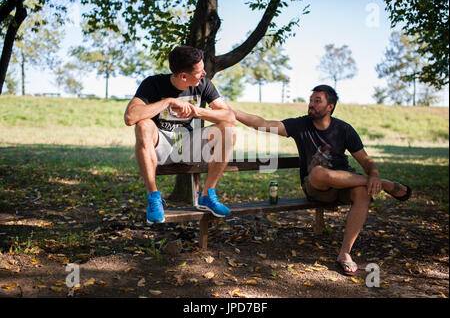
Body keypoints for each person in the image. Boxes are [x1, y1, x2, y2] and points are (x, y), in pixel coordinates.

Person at [232, 84, 411, 276]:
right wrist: (232, 111)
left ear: (330, 107)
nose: (311, 104)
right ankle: (385, 184)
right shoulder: (300, 125)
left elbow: (366, 161)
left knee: (362, 193)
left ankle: (345, 253)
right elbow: (263, 123)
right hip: (317, 187)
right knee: (318, 172)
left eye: (317, 101)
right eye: (310, 100)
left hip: (345, 184)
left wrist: (374, 175)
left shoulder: (344, 129)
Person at [124, 46, 236, 224]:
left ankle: (207, 194)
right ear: (184, 76)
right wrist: (167, 101)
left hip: (189, 145)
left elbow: (229, 116)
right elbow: (130, 117)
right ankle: (154, 198)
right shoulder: (153, 84)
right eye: (200, 71)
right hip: (160, 145)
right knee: (143, 125)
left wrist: (197, 112)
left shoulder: (204, 84)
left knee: (228, 129)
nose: (204, 73)